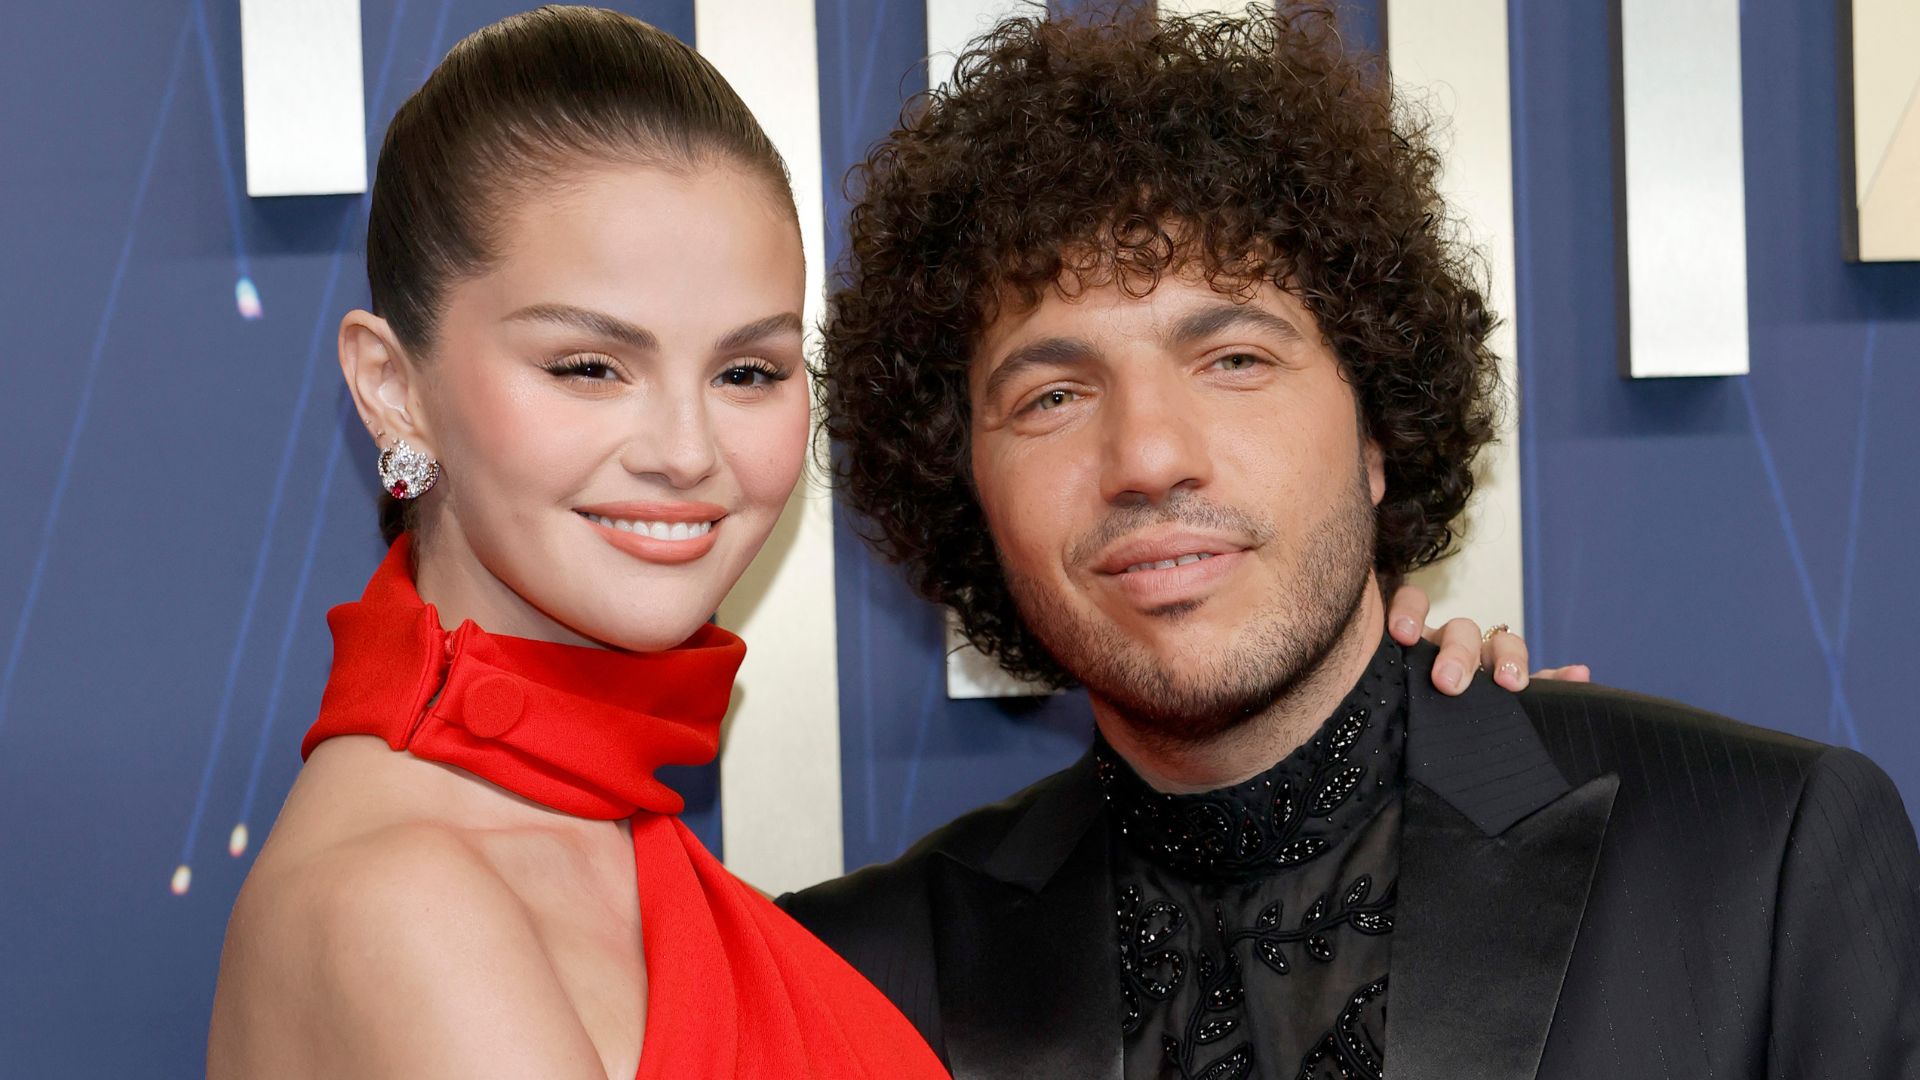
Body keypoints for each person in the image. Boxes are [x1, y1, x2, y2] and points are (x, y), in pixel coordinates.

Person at [204, 7, 1535, 1079]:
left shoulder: (630, 854)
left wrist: (1444, 756)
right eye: (588, 366)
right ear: (392, 386)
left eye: (745, 372)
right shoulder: (410, 900)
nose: (685, 449)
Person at [782, 9, 1920, 1080]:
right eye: (1053, 396)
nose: (1149, 456)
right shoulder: (853, 975)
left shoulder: (1760, 856)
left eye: (1234, 360)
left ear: (1377, 429)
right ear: (965, 484)